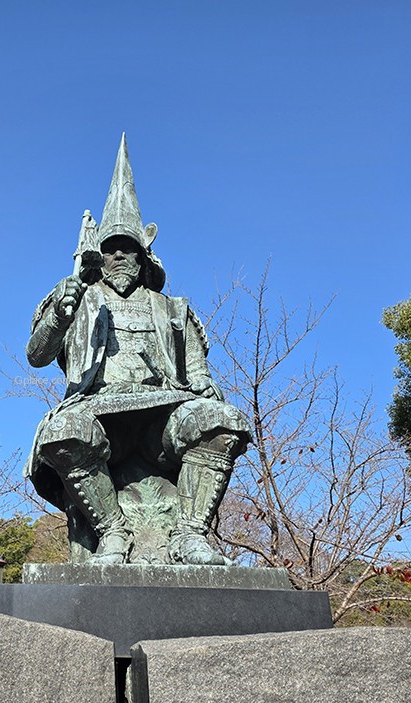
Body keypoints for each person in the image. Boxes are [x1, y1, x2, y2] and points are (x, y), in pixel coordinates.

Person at [25, 135, 250, 565]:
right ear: (98, 256)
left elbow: (198, 374)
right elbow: (37, 354)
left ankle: (190, 535)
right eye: (110, 248)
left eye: (128, 247)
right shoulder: (77, 297)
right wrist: (59, 315)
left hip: (161, 423)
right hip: (101, 415)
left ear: (144, 254)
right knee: (61, 432)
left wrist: (204, 388)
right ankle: (111, 532)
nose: (120, 256)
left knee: (223, 420)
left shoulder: (172, 308)